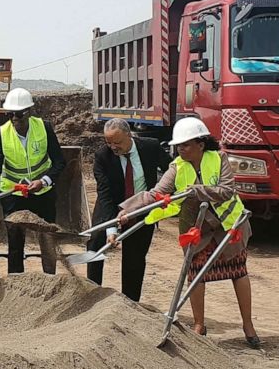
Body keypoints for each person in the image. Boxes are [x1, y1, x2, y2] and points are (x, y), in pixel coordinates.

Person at [118, 117, 259, 347]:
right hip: (198, 228)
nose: (180, 149)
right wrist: (129, 210)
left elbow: (226, 190)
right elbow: (156, 194)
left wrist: (198, 191)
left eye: (185, 145)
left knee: (238, 271)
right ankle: (199, 324)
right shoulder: (177, 167)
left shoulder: (219, 158)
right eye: (178, 146)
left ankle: (248, 325)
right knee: (194, 273)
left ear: (200, 144)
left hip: (227, 226)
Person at [0, 88, 65, 274]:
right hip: (14, 195)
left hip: (42, 193)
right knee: (15, 241)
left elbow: (59, 162)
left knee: (47, 238)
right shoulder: (1, 134)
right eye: (10, 114)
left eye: (18, 115)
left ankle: (50, 279)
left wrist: (43, 181)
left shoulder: (44, 128)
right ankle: (16, 281)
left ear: (28, 112)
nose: (14, 119)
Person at [86, 118, 170, 301]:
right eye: (109, 143)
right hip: (112, 204)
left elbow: (172, 169)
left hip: (141, 207)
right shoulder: (102, 157)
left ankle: (130, 302)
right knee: (96, 245)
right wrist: (111, 229)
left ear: (129, 136)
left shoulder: (150, 147)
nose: (113, 147)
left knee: (135, 257)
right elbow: (105, 194)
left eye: (117, 142)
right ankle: (92, 296)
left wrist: (163, 194)